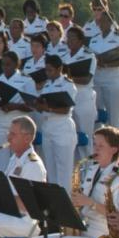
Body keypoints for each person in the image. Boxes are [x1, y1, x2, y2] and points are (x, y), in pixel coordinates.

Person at [0, 52, 35, 172]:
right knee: (0, 162)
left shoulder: (26, 80)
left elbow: (32, 106)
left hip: (18, 127)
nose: (5, 67)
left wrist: (14, 106)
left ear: (16, 64)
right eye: (3, 64)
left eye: (9, 64)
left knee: (19, 162)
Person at [34, 55, 78, 188]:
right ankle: (55, 203)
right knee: (50, 169)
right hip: (48, 126)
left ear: (59, 69)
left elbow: (65, 109)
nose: (47, 73)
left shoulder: (68, 85)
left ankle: (66, 203)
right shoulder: (47, 85)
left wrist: (47, 107)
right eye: (46, 70)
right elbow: (40, 103)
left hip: (62, 127)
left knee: (64, 170)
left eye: (50, 70)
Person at [89, 11, 119, 129]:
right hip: (96, 78)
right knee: (97, 115)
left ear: (111, 23)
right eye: (100, 21)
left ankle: (115, 144)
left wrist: (106, 64)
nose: (102, 24)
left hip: (113, 79)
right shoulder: (94, 39)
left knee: (113, 117)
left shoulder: (118, 38)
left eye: (105, 21)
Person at [65, 26, 98, 160]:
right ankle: (74, 176)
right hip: (68, 98)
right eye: (68, 38)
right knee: (71, 139)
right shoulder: (64, 56)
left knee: (85, 138)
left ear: (80, 41)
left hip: (84, 98)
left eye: (73, 38)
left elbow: (86, 79)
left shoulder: (89, 56)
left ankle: (88, 174)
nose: (69, 41)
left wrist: (68, 78)